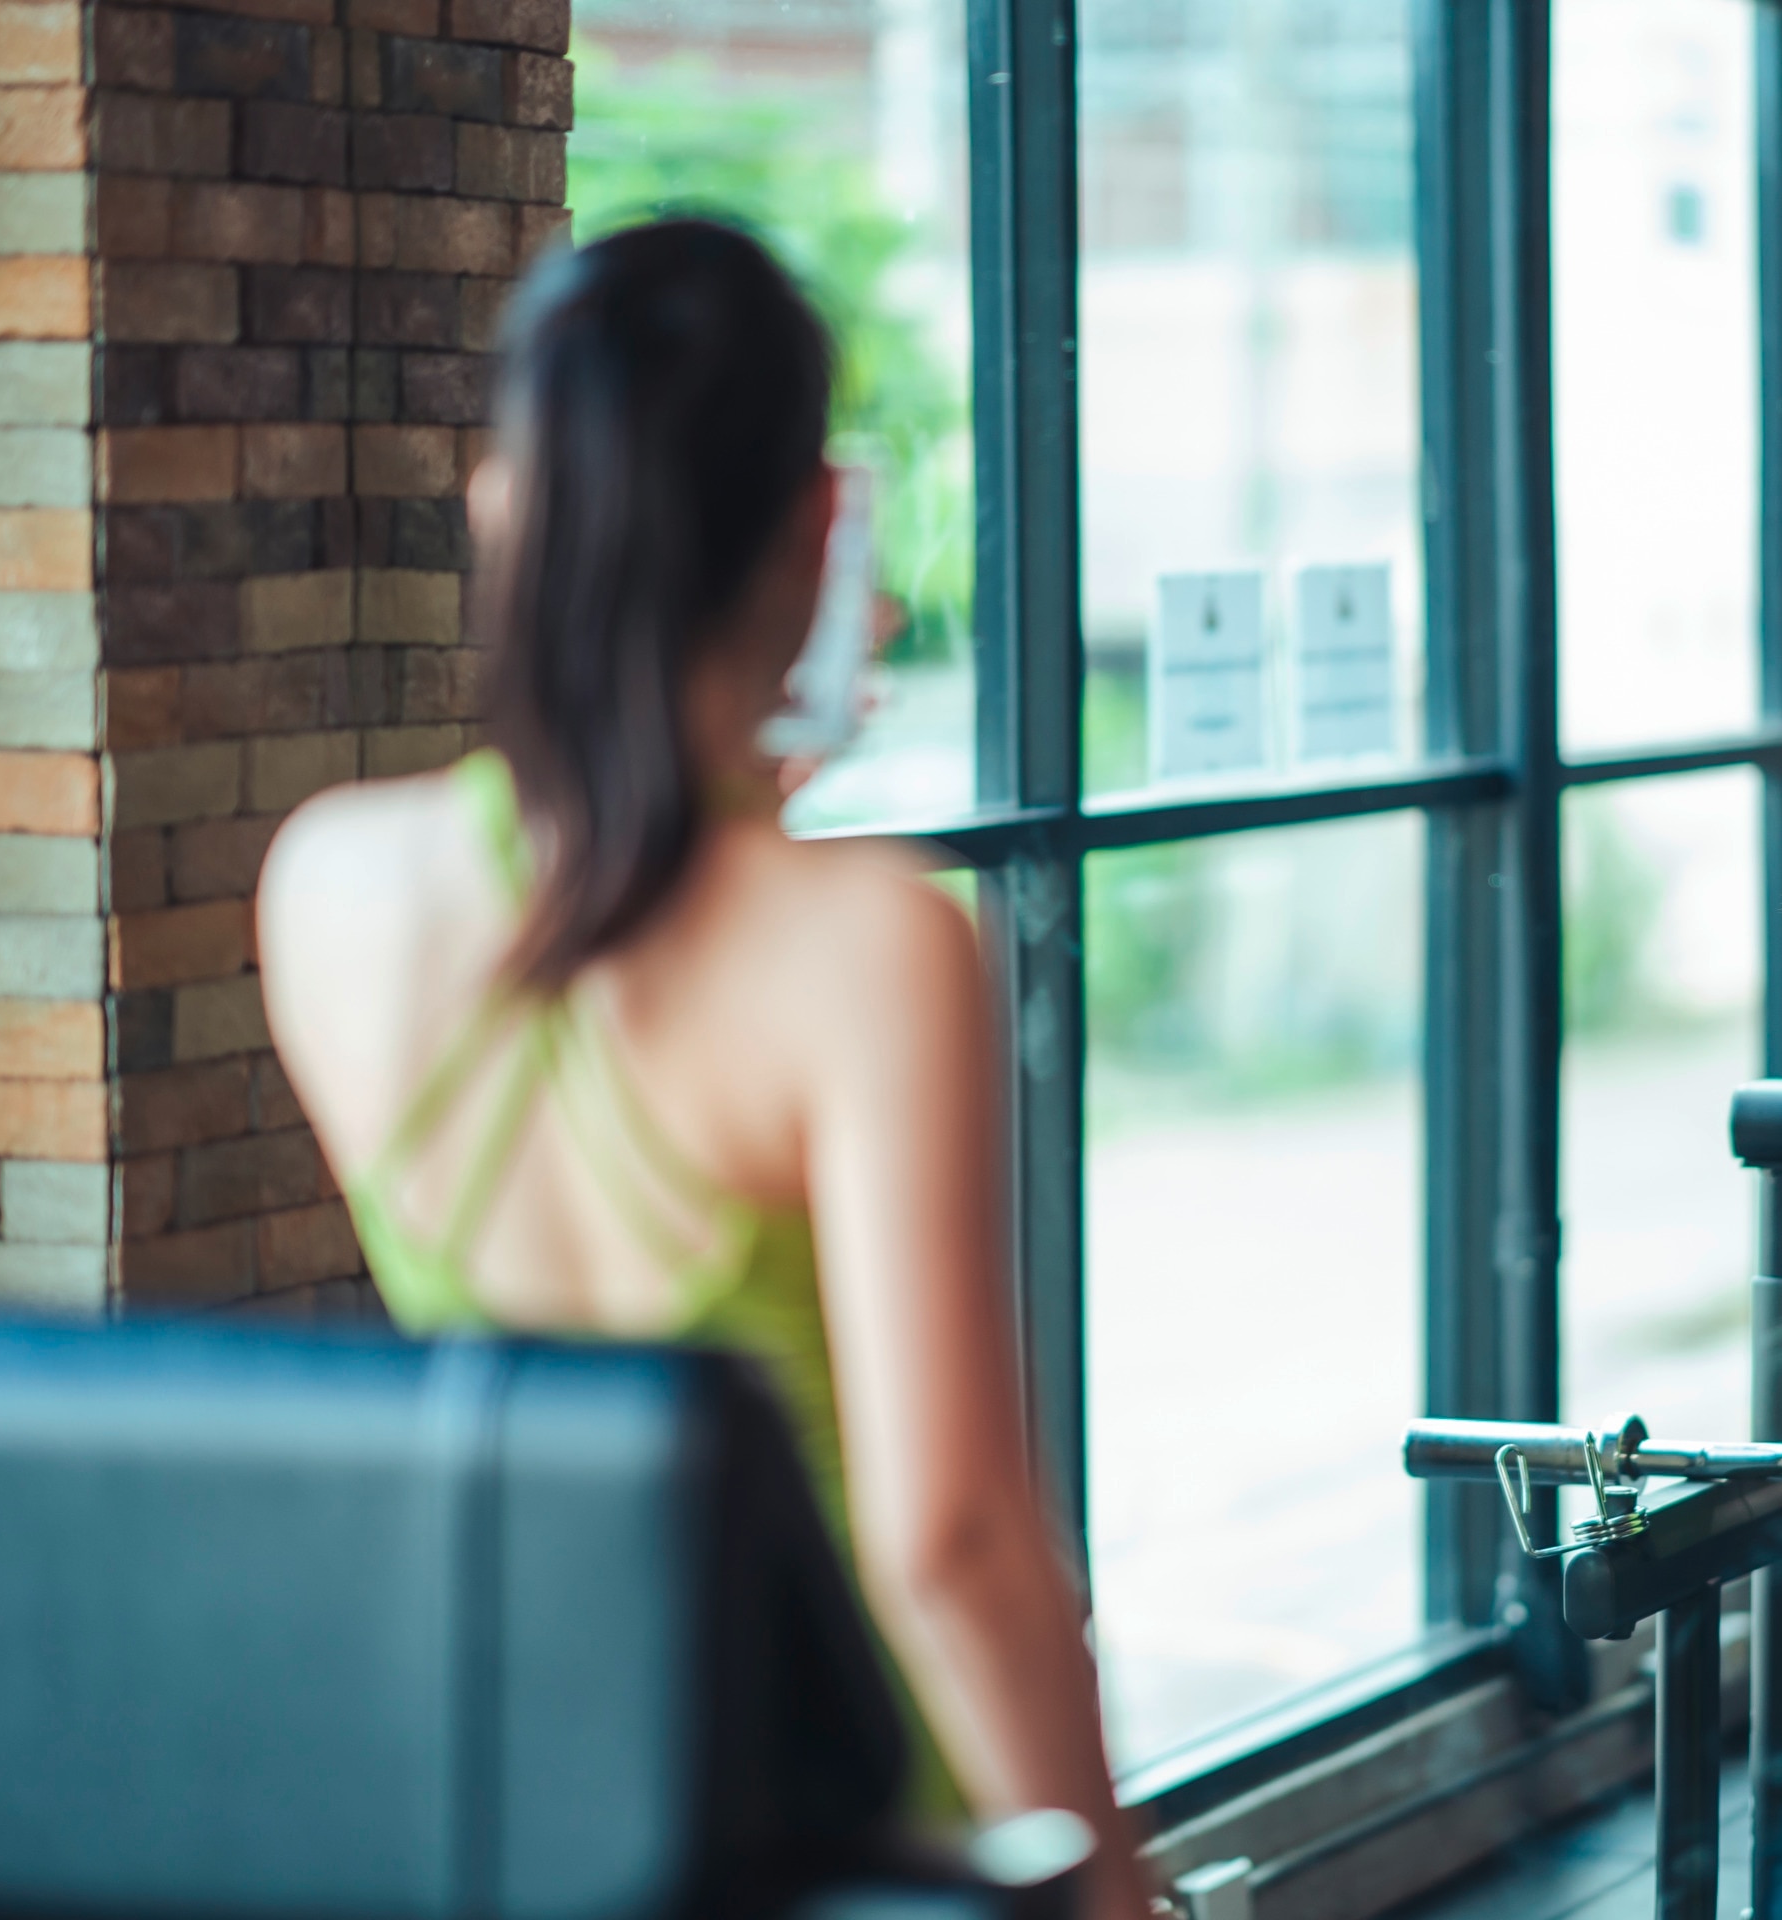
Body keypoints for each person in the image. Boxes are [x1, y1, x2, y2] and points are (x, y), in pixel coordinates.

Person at [257, 219, 1153, 1919]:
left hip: (543, 1807)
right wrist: (1107, 1895)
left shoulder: (330, 884)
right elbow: (950, 1544)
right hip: (855, 1832)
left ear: (502, 505)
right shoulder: (864, 947)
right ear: (822, 526)